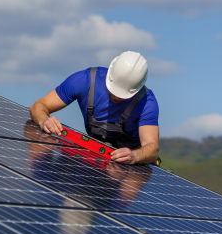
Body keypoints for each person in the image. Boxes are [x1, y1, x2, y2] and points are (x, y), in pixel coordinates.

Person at [30, 51, 159, 165]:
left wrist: (134, 156)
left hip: (130, 167)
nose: (116, 96)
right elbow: (39, 105)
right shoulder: (84, 81)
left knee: (128, 192)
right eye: (113, 90)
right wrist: (44, 119)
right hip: (95, 160)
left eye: (122, 94)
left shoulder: (147, 102)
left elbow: (152, 148)